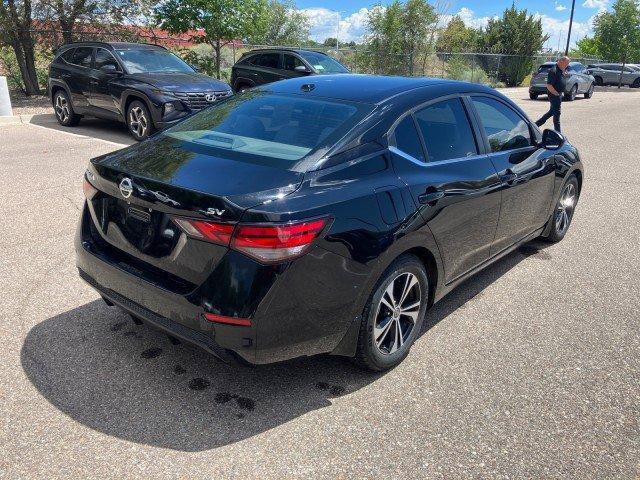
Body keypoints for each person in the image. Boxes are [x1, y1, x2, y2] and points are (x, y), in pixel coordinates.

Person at [535, 56, 570, 132]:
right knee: (557, 114)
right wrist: (556, 94)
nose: (567, 65)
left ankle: (536, 125)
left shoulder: (561, 69)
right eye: (566, 63)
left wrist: (564, 73)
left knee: (551, 112)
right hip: (554, 95)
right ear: (561, 62)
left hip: (558, 94)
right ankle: (558, 133)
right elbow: (549, 85)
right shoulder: (553, 70)